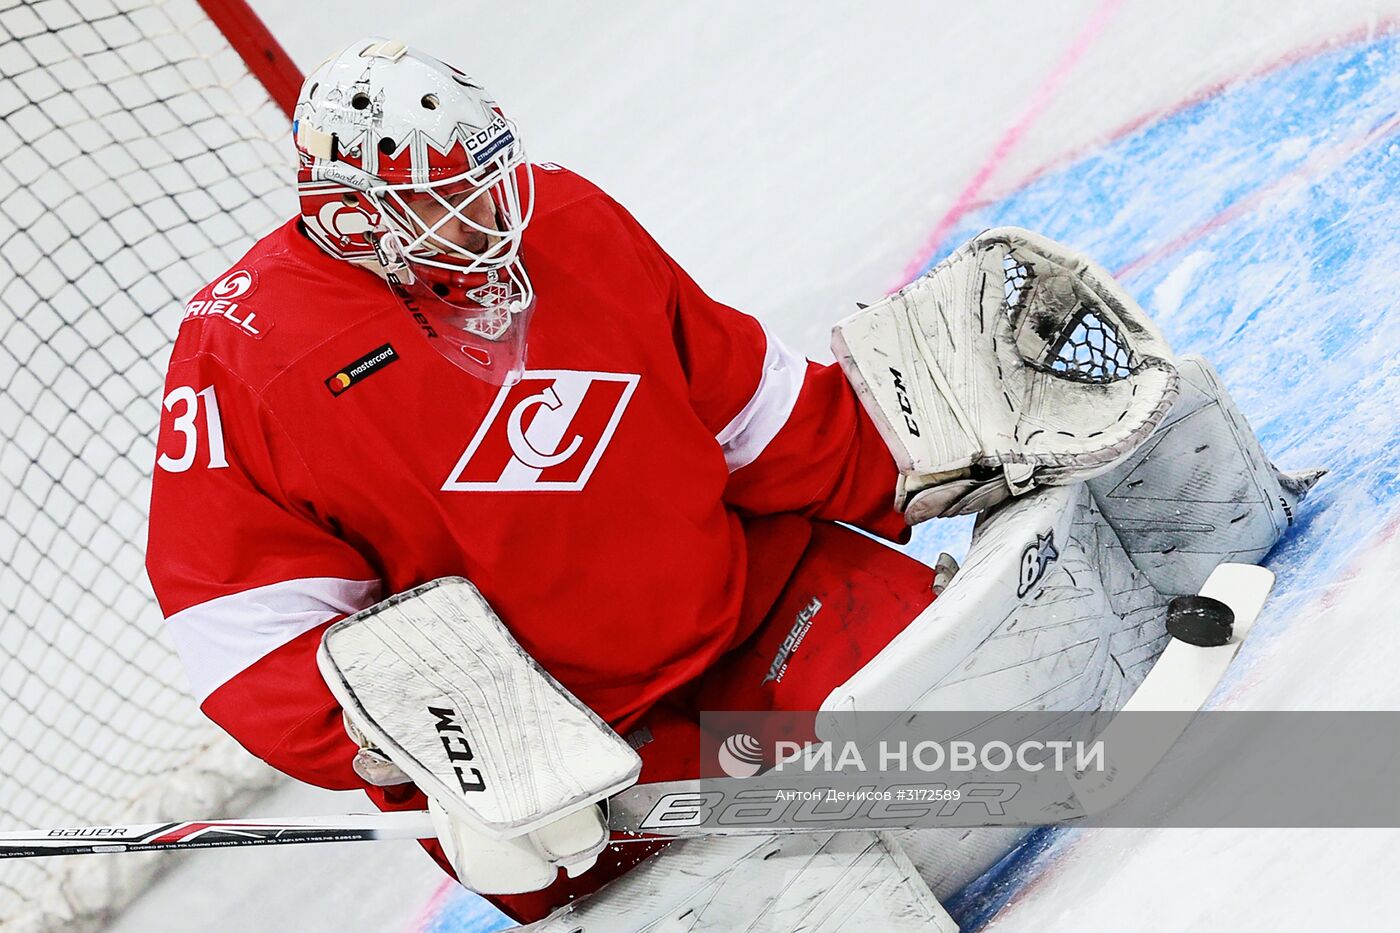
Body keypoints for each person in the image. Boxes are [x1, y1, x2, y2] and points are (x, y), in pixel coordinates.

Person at [145, 36, 943, 923]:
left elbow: (741, 403)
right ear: (354, 218)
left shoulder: (562, 215)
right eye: (452, 200)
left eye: (491, 177)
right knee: (810, 897)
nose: (496, 212)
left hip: (757, 611)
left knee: (1011, 747)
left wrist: (913, 460)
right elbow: (244, 630)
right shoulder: (247, 355)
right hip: (576, 764)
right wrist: (435, 762)